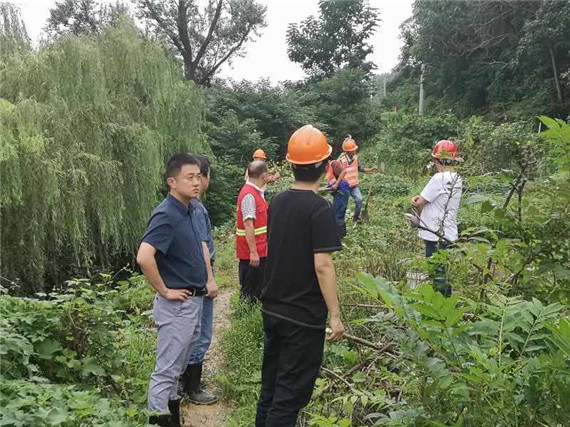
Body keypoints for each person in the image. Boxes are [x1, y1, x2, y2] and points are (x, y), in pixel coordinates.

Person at [255, 125, 344, 427]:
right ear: (325, 165)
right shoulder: (320, 209)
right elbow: (323, 265)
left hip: (273, 309)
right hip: (302, 317)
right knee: (289, 398)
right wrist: (335, 315)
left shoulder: (278, 201)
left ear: (291, 165)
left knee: (270, 389)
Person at [137, 153, 214, 426]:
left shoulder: (190, 209)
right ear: (172, 181)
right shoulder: (166, 214)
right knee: (166, 370)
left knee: (177, 367)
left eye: (198, 176)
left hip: (193, 300)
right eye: (189, 178)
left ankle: (172, 419)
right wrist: (165, 290)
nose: (196, 182)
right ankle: (158, 420)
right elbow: (144, 257)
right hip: (176, 305)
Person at [181, 155, 219, 405]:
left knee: (194, 331)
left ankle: (185, 381)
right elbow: (201, 245)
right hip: (201, 279)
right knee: (201, 333)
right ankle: (192, 387)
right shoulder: (196, 208)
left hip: (195, 277)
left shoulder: (191, 206)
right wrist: (210, 280)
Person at [411, 140, 463, 297]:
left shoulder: (438, 178)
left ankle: (441, 304)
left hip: (434, 233)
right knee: (444, 271)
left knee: (437, 272)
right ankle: (446, 301)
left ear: (438, 160)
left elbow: (420, 202)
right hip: (449, 232)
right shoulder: (457, 178)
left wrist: (414, 201)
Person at [236, 160, 270, 302]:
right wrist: (253, 251)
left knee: (258, 287)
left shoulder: (256, 192)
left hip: (259, 250)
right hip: (252, 254)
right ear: (264, 176)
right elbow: (248, 225)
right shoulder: (249, 195)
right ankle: (246, 312)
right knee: (250, 291)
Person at [338, 135, 377, 222]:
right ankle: (340, 220)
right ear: (348, 152)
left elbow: (359, 168)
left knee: (359, 200)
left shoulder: (356, 158)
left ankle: (356, 218)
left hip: (354, 186)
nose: (355, 152)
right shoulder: (341, 160)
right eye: (353, 150)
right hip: (345, 187)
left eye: (355, 150)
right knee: (343, 204)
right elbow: (338, 174)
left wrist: (370, 170)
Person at [325, 159, 350, 239]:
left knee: (338, 215)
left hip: (342, 191)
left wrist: (336, 184)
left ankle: (340, 236)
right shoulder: (327, 168)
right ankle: (340, 234)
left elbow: (343, 171)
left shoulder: (334, 163)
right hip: (338, 191)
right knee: (336, 213)